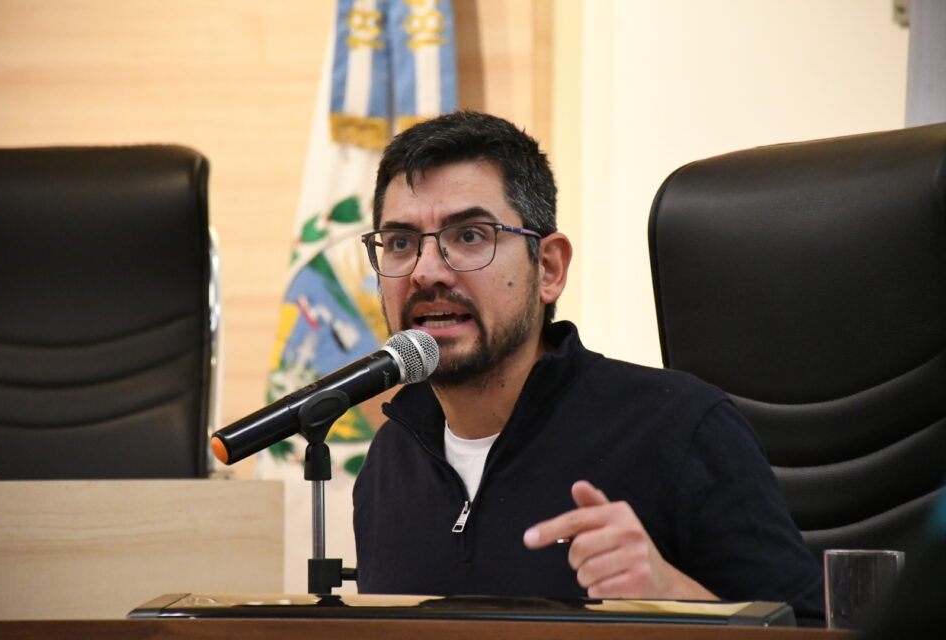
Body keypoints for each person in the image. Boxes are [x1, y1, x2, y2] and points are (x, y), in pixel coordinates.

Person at [352, 110, 825, 625]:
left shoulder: (680, 426)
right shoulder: (389, 461)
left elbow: (808, 629)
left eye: (469, 236)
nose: (425, 272)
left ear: (548, 268)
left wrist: (673, 595)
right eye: (400, 243)